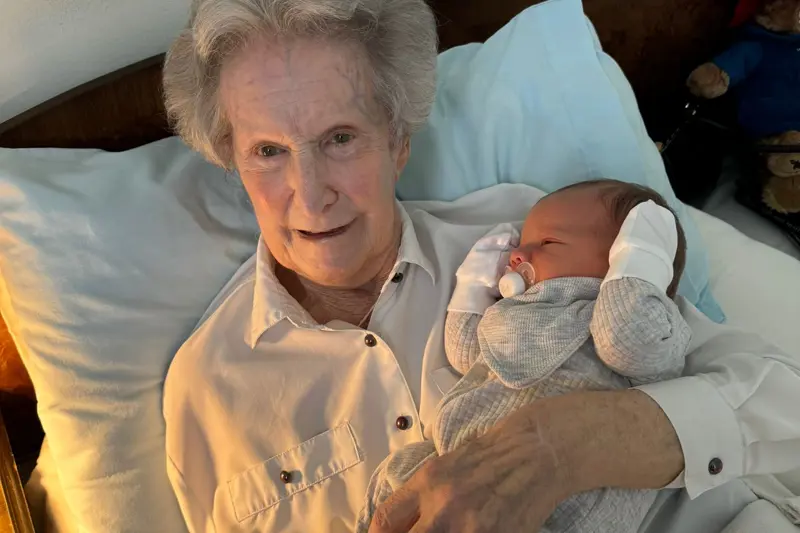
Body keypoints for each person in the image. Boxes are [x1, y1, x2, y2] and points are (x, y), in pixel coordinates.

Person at [160, 0, 800, 532]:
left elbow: (783, 403)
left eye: (341, 138)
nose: (310, 193)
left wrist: (569, 445)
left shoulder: (537, 238)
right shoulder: (206, 391)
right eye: (268, 151)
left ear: (398, 141)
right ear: (231, 160)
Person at [357, 180, 692, 533]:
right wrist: (475, 283)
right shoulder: (518, 312)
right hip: (453, 464)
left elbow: (624, 337)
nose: (518, 255)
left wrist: (641, 261)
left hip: (562, 505)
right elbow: (466, 353)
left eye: (548, 243)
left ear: (622, 257)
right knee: (394, 481)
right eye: (520, 244)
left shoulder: (637, 324)